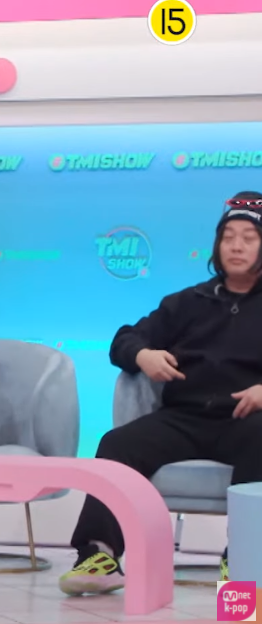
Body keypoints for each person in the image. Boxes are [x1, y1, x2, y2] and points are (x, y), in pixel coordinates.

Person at [59, 191, 262, 596]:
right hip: (184, 417)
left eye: (249, 238)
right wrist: (143, 354)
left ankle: (243, 561)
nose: (236, 247)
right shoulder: (188, 302)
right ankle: (99, 556)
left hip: (248, 419)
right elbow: (124, 340)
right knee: (117, 443)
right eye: (228, 237)